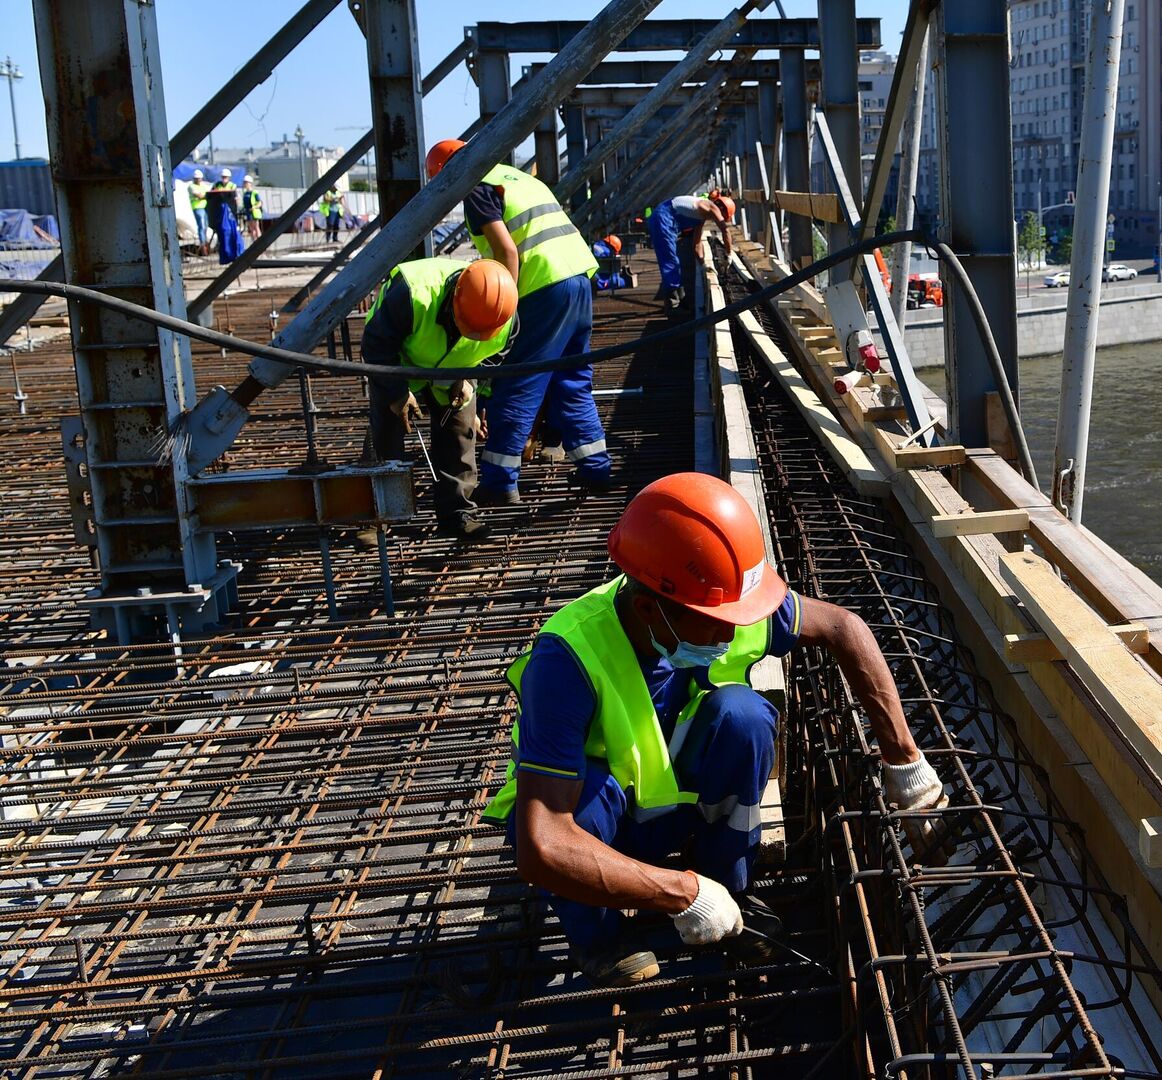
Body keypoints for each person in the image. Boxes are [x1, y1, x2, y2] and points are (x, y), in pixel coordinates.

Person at [483, 473, 947, 984]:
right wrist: (682, 893)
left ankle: (728, 889)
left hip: (676, 805)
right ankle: (602, 939)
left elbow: (844, 628)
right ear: (647, 609)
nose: (732, 632)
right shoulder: (568, 657)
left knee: (744, 718)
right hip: (602, 834)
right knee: (582, 799)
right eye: (715, 622)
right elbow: (542, 845)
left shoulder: (716, 603)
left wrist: (904, 761)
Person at [425, 137, 610, 503]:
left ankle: (499, 480)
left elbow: (507, 251)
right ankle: (597, 468)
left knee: (518, 381)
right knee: (570, 379)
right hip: (578, 278)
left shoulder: (478, 187)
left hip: (542, 286)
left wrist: (501, 313)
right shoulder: (515, 177)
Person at [357, 258, 519, 544]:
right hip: (398, 364)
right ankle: (376, 516)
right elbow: (375, 345)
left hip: (455, 372)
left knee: (460, 433)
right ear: (453, 301)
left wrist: (469, 381)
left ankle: (458, 513)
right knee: (385, 434)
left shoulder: (504, 318)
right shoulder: (413, 294)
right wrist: (397, 392)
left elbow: (495, 357)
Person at [646, 191, 734, 310]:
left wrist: (703, 265)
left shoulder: (700, 217)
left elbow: (696, 245)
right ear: (723, 210)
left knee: (672, 260)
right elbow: (725, 230)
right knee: (670, 261)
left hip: (665, 218)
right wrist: (729, 254)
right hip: (663, 218)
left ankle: (680, 300)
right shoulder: (712, 207)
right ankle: (673, 304)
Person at [206, 169, 243, 263]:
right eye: (223, 177)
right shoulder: (217, 185)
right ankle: (225, 256)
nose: (224, 179)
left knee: (232, 235)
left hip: (230, 216)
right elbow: (211, 196)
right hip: (219, 216)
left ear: (229, 178)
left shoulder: (232, 186)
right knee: (222, 236)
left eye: (226, 177)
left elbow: (236, 199)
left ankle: (234, 254)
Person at [187, 168, 210, 251]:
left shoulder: (203, 186)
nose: (198, 180)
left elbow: (206, 194)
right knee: (201, 225)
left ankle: (205, 242)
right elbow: (200, 196)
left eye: (199, 178)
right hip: (197, 208)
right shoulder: (191, 186)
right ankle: (203, 244)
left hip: (205, 207)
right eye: (196, 178)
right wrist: (206, 196)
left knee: (206, 226)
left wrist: (205, 195)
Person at [240, 176, 264, 242]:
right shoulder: (245, 194)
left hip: (254, 213)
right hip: (248, 213)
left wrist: (254, 207)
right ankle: (254, 243)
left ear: (250, 183)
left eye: (246, 183)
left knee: (256, 227)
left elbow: (260, 203)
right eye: (244, 183)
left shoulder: (254, 192)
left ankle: (260, 243)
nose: (245, 184)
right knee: (251, 229)